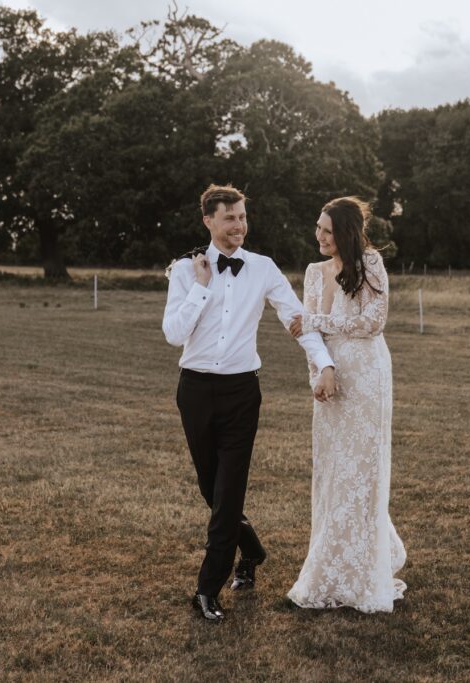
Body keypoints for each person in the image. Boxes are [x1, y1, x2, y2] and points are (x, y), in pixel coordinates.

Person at [163, 184, 337, 622]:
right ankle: (253, 550)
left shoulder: (262, 268)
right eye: (230, 218)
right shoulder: (186, 269)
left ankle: (207, 588)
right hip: (195, 391)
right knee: (212, 490)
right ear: (209, 221)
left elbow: (296, 318)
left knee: (229, 492)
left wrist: (325, 363)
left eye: (242, 218)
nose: (239, 226)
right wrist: (201, 286)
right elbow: (174, 334)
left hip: (243, 392)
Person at [286, 196, 407, 613]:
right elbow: (307, 334)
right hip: (332, 375)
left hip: (369, 375)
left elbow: (374, 323)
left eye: (328, 231)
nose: (319, 237)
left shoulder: (370, 263)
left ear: (347, 232)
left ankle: (364, 568)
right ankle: (330, 564)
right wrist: (319, 373)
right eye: (318, 228)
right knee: (334, 470)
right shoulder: (313, 272)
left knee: (362, 469)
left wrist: (318, 321)